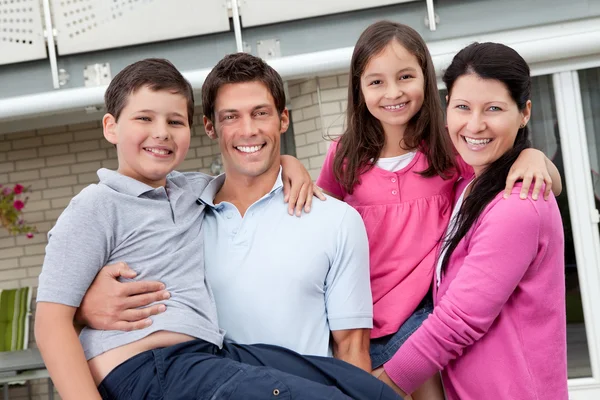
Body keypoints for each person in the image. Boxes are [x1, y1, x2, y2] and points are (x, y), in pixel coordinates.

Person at [34, 58, 399, 400]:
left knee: (362, 388)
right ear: (111, 127)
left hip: (211, 356)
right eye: (144, 118)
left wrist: (288, 162)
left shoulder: (188, 193)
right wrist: (82, 309)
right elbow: (52, 323)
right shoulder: (96, 205)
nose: (160, 133)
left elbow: (249, 170)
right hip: (155, 368)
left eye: (174, 122)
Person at [315, 21, 562, 399]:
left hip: (426, 317)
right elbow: (317, 220)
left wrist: (533, 154)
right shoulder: (345, 156)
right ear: (358, 87)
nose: (393, 92)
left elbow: (534, 182)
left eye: (405, 77)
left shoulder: (449, 148)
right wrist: (289, 166)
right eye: (376, 81)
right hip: (362, 321)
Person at [377, 42, 567, 400]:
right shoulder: (469, 186)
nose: (475, 124)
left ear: (524, 112)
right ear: (447, 108)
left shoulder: (518, 204)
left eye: (493, 108)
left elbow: (457, 322)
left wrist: (379, 385)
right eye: (463, 107)